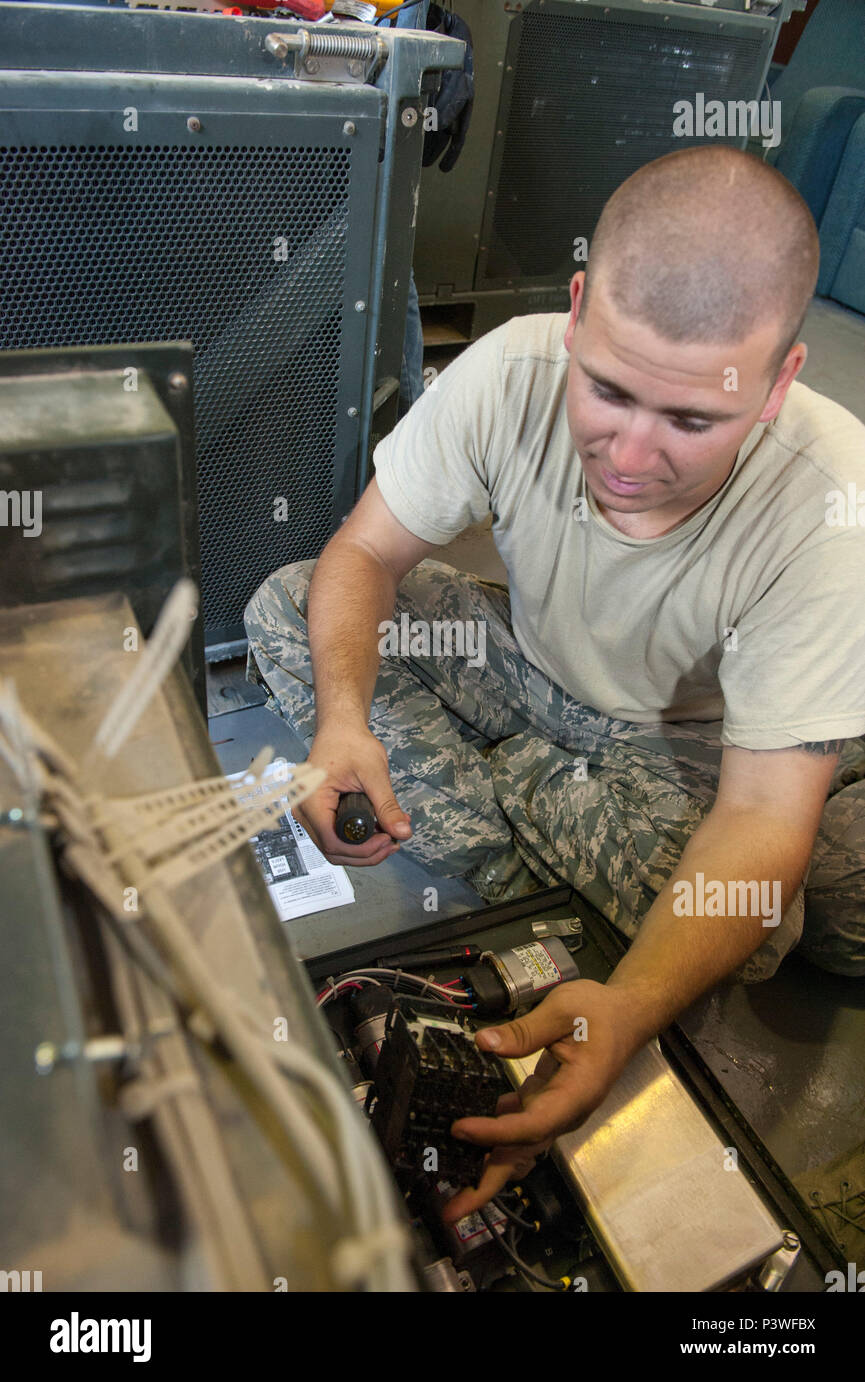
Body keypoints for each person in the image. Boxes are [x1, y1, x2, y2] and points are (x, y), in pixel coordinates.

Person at [244, 145, 865, 1223]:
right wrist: (344, 722)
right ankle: (557, 800)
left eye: (690, 421)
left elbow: (762, 817)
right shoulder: (510, 368)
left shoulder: (830, 506)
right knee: (284, 610)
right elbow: (361, 559)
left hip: (696, 734)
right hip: (528, 669)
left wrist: (622, 1011)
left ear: (778, 383)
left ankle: (538, 790)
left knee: (772, 922)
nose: (628, 454)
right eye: (609, 390)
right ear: (576, 313)